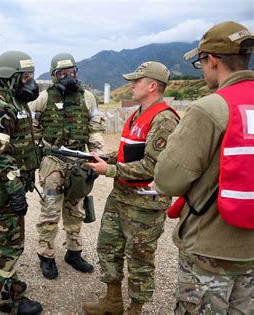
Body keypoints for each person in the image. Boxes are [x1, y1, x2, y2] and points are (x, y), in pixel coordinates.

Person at [154, 21, 254, 314]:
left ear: (212, 60)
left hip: (209, 248)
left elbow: (168, 180)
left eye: (200, 62)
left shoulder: (209, 108)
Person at [83, 61, 180, 314]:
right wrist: (106, 158)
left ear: (152, 85)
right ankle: (113, 302)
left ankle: (135, 309)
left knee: (139, 259)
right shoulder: (138, 113)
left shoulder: (165, 119)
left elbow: (152, 167)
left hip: (144, 204)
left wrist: (109, 170)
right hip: (121, 196)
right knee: (108, 248)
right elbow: (129, 152)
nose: (132, 85)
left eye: (137, 81)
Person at [29, 53, 105, 279]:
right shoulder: (43, 98)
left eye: (70, 73)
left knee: (76, 209)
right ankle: (46, 254)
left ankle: (74, 252)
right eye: (62, 74)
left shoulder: (88, 98)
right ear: (54, 76)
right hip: (52, 158)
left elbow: (95, 128)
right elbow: (31, 126)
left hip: (79, 159)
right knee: (50, 208)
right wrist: (39, 152)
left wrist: (96, 156)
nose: (67, 77)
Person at [0, 50, 43, 314]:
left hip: (9, 183)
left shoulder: (15, 101)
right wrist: (15, 189)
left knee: (0, 237)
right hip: (3, 185)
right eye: (25, 77)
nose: (30, 82)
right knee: (10, 242)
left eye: (31, 76)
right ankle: (7, 300)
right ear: (10, 78)